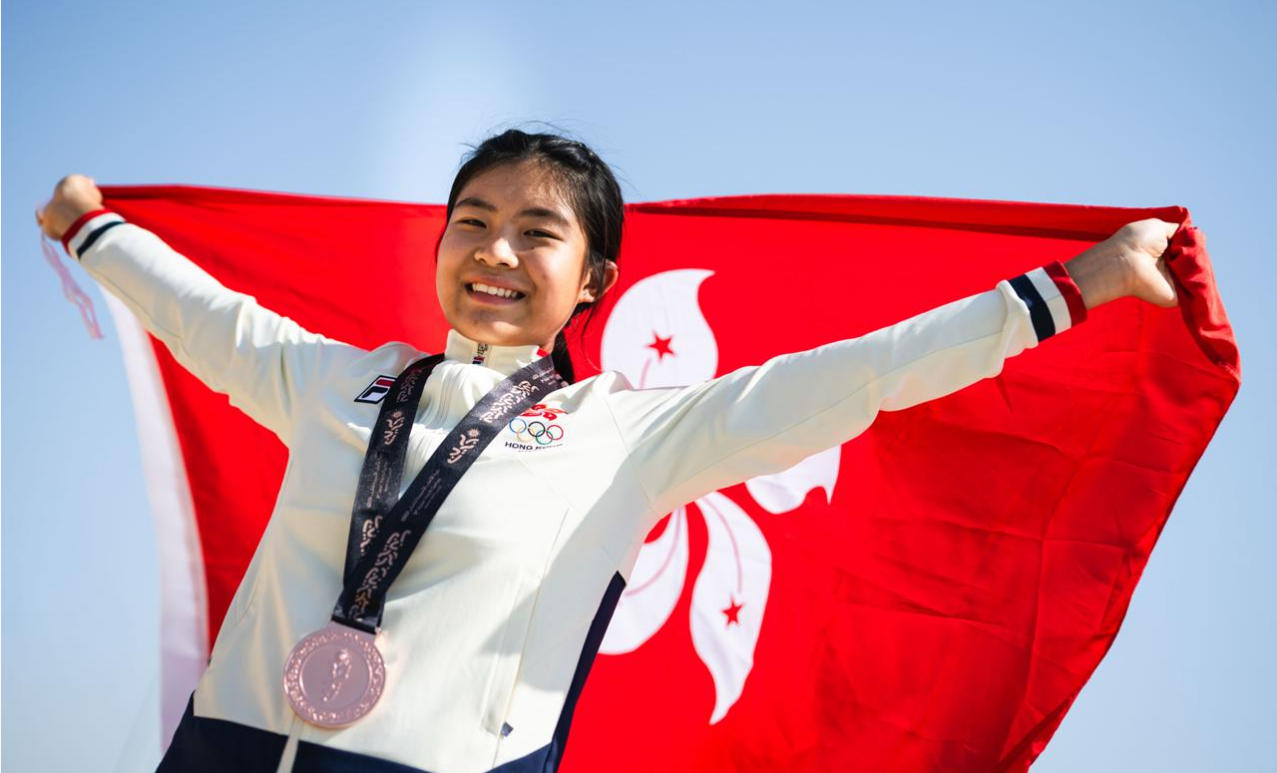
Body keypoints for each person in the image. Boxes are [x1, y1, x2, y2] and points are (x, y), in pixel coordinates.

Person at [36, 129, 1180, 773]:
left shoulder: (626, 434)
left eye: (536, 232)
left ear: (594, 283)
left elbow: (850, 378)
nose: (493, 250)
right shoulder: (337, 378)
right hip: (224, 751)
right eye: (471, 222)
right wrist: (93, 226)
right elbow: (204, 314)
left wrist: (1067, 290)